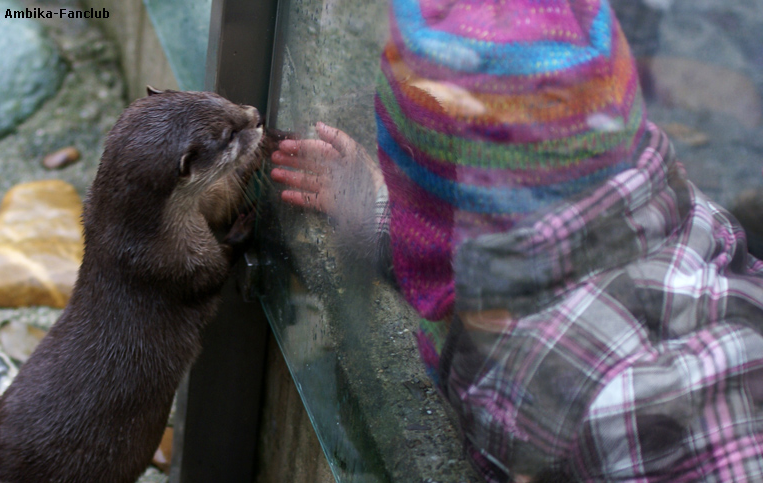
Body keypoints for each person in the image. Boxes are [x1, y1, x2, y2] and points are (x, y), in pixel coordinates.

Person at [272, 0, 763, 480]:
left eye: (415, 207)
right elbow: (475, 262)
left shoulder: (629, 400)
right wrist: (383, 218)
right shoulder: (671, 209)